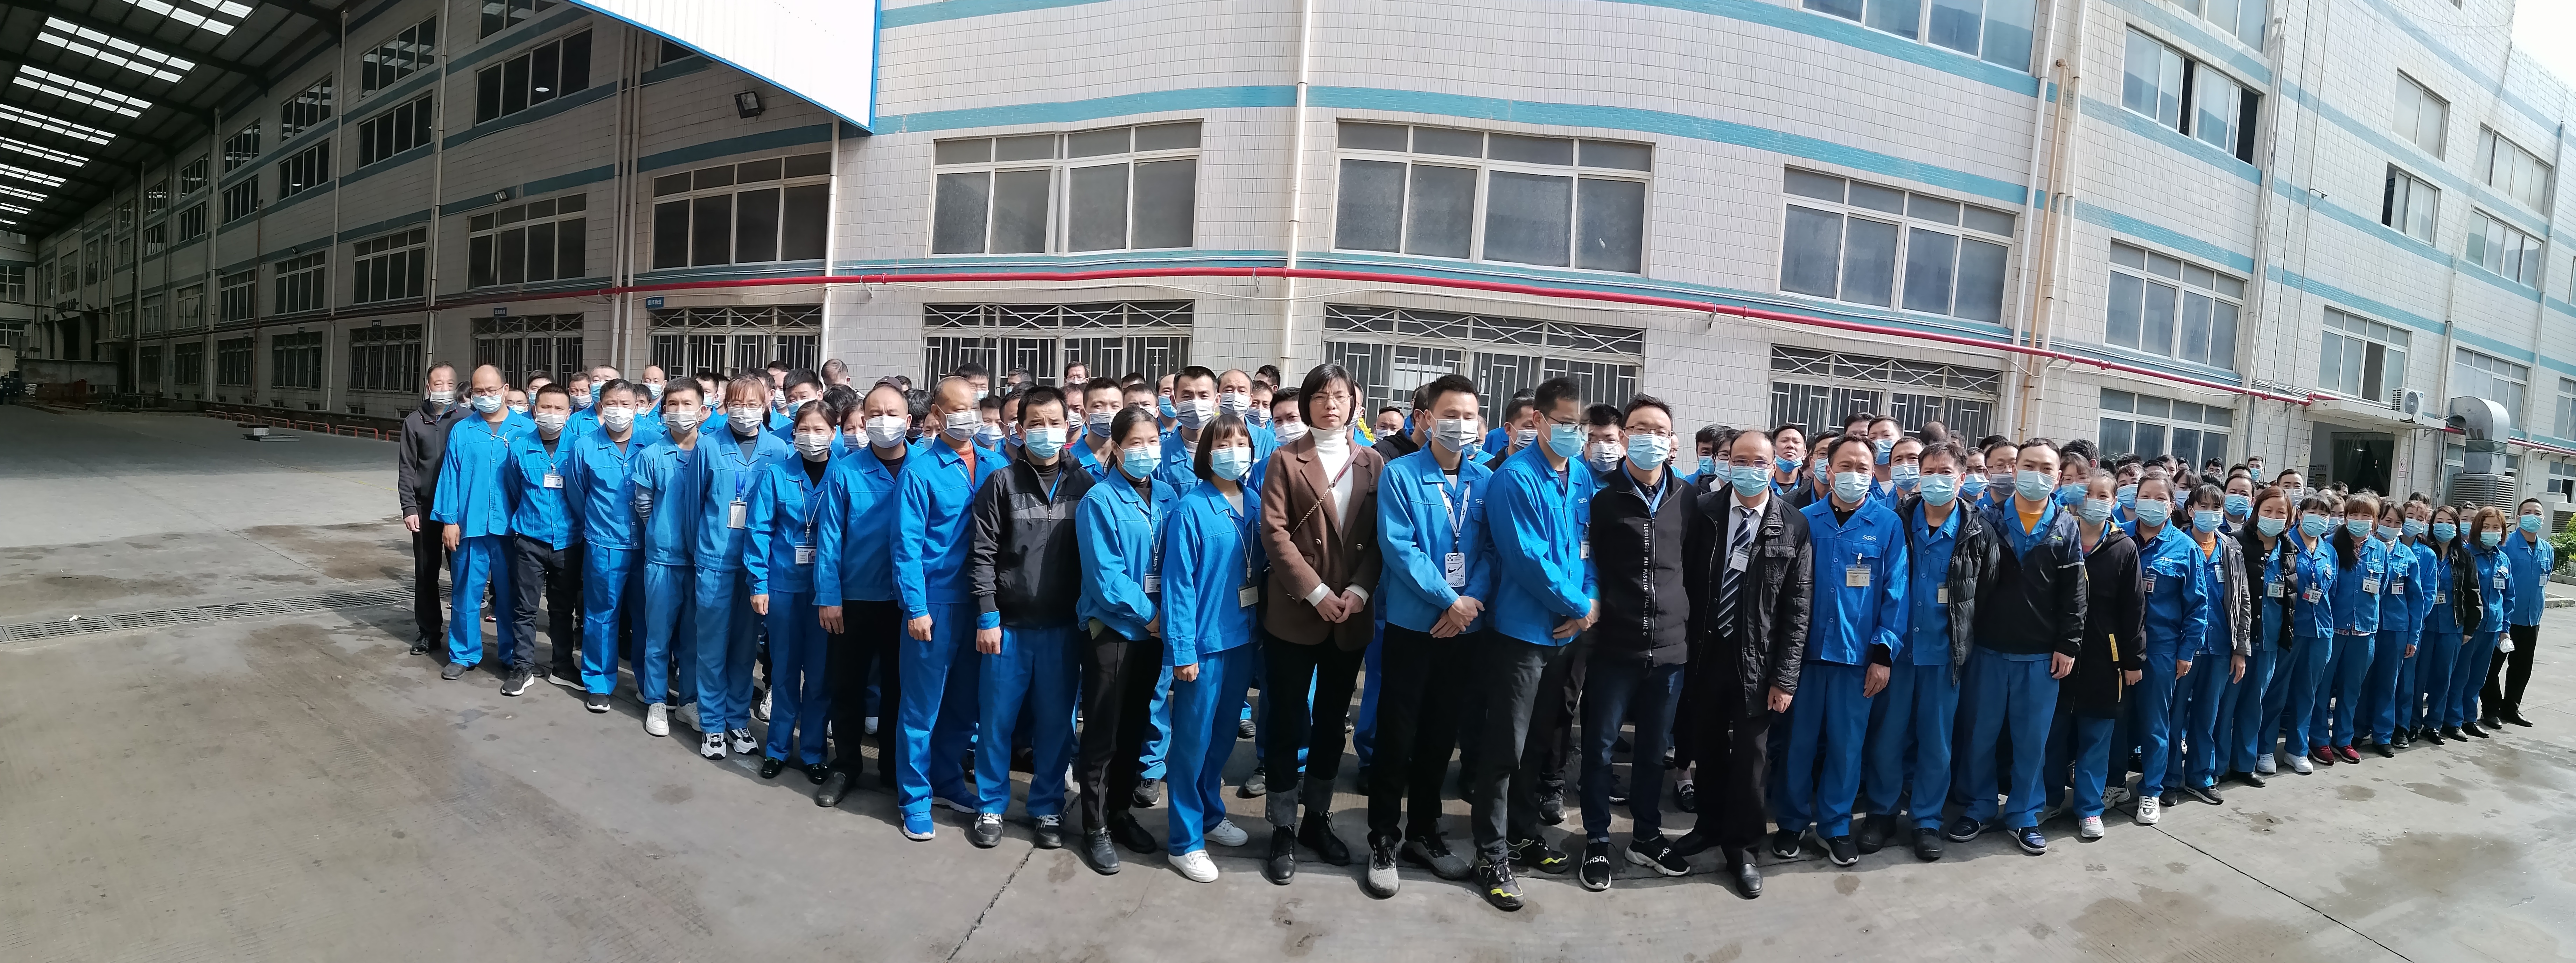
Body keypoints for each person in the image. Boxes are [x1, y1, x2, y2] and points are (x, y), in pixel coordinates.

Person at [1463, 376, 1597, 911]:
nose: (1574, 433)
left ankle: (1521, 834)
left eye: (1580, 425)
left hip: (1567, 633)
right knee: (1505, 749)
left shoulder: (1580, 475)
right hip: (1522, 635)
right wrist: (1579, 605)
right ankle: (1491, 853)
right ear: (1538, 421)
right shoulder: (1514, 479)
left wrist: (1589, 603)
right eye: (1565, 423)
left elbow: (1589, 550)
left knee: (1538, 743)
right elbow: (1527, 559)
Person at [1254, 363, 1382, 885]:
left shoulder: (1373, 462)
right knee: (1287, 720)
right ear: (1306, 404)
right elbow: (1274, 533)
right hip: (1295, 612)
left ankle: (1317, 819)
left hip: (1350, 614)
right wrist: (1317, 592)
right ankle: (1283, 825)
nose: (1332, 405)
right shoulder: (1285, 459)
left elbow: (1381, 538)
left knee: (1332, 722)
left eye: (1340, 396)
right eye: (1321, 396)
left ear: (1355, 403)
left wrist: (1358, 591)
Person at [1669, 428, 1809, 899]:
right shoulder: (1703, 510)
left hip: (1758, 663)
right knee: (1707, 748)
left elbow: (1798, 607)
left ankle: (1744, 847)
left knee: (1752, 761)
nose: (1749, 469)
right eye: (1740, 460)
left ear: (1774, 467)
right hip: (1706, 653)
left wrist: (1785, 677)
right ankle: (1708, 826)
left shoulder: (1793, 524)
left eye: (1759, 462)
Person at [1361, 374, 1485, 897]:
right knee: (1398, 734)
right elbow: (1400, 547)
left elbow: (1492, 551)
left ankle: (1424, 833)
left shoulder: (1484, 479)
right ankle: (1383, 837)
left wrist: (1469, 603)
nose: (1460, 424)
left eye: (1469, 416)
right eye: (1450, 414)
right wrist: (1448, 600)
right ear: (1427, 418)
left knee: (1440, 735)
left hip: (1463, 629)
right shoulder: (1401, 474)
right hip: (1414, 625)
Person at [1568, 395, 1696, 891]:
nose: (1650, 438)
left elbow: (1691, 568)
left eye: (1659, 430)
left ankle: (1646, 836)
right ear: (1624, 438)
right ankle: (1597, 840)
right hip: (1613, 648)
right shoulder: (1602, 499)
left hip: (1669, 650)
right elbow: (1588, 564)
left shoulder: (1687, 498)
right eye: (1640, 429)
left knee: (1652, 751)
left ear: (1672, 440)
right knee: (1599, 750)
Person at [964, 386, 1094, 850]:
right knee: (996, 722)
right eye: (1035, 423)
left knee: (1056, 725)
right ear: (1019, 430)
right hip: (1009, 628)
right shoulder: (1001, 483)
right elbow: (981, 553)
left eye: (1053, 422)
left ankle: (1047, 807)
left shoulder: (1085, 485)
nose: (1045, 431)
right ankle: (991, 805)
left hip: (1063, 629)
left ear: (1069, 426)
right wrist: (987, 615)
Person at [1769, 432, 1905, 867]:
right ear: (1827, 470)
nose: (1853, 474)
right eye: (1845, 466)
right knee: (1798, 745)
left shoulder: (1887, 525)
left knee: (1847, 748)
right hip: (1804, 657)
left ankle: (1834, 826)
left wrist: (1883, 654)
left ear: (1873, 474)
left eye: (1863, 468)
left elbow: (1895, 592)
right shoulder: (1802, 519)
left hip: (1856, 658)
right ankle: (1791, 823)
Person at [1860, 438, 1999, 858]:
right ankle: (1881, 813)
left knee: (1936, 743)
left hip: (1943, 656)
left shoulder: (1978, 531)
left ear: (1962, 478)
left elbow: (1986, 593)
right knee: (1887, 738)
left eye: (1946, 473)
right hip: (1896, 653)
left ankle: (1926, 819)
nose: (1937, 480)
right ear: (1919, 477)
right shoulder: (1895, 522)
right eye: (1929, 472)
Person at [890, 378, 1005, 840]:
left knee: (963, 705)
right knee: (921, 708)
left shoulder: (996, 465)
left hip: (981, 603)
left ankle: (946, 781)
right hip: (935, 602)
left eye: (972, 407)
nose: (967, 417)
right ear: (936, 414)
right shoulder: (920, 470)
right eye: (957, 409)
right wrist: (916, 607)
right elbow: (906, 546)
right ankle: (915, 798)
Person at [1071, 407, 1183, 872]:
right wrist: (1152, 616)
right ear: (1116, 448)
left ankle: (1119, 812)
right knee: (1104, 730)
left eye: (1153, 441)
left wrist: (1166, 619)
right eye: (1135, 443)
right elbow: (1106, 577)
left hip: (1154, 634)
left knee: (1136, 725)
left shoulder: (1169, 495)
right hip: (1114, 631)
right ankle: (1094, 825)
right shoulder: (1099, 500)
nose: (1145, 451)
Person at [1161, 413, 1266, 883]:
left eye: (1242, 443)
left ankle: (1209, 811)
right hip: (1203, 644)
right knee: (1192, 742)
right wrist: (1182, 650)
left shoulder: (1256, 503)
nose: (1234, 452)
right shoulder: (1191, 508)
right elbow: (1178, 585)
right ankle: (1184, 840)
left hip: (1243, 639)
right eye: (1223, 444)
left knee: (1223, 736)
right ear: (1207, 453)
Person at [814, 382, 920, 805]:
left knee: (900, 688)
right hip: (855, 597)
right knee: (848, 686)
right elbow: (829, 537)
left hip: (906, 601)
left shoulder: (925, 467)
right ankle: (846, 764)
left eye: (891, 413)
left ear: (908, 421)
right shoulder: (846, 470)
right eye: (873, 414)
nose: (882, 421)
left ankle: (894, 768)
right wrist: (829, 596)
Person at [688, 377, 795, 761]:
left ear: (766, 404)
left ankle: (737, 718)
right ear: (725, 404)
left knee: (745, 647)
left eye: (752, 404)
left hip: (757, 566)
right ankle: (712, 723)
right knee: (712, 646)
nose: (744, 411)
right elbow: (693, 505)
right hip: (715, 560)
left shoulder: (778, 449)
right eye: (736, 402)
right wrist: (701, 549)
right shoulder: (707, 445)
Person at [2042, 469, 2141, 841]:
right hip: (2057, 652)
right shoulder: (2058, 536)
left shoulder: (2123, 547)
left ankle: (2089, 808)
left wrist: (2132, 660)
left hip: (2105, 657)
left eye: (2104, 496)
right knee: (2052, 734)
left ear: (2115, 502)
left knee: (2096, 737)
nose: (2095, 501)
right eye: (2089, 494)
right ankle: (2049, 799)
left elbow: (2134, 609)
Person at [565, 381, 659, 712]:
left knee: (647, 617)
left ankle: (650, 686)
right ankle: (599, 682)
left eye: (625, 403)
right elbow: (577, 494)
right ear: (601, 406)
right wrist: (598, 524)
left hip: (648, 546)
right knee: (602, 615)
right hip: (605, 545)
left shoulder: (654, 441)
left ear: (637, 407)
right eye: (611, 403)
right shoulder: (585, 446)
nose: (618, 410)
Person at [432, 365, 526, 683]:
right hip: (469, 526)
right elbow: (450, 476)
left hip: (512, 528)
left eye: (491, 390)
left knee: (512, 595)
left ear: (505, 389)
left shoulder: (525, 430)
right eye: (479, 391)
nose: (486, 396)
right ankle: (463, 653)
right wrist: (449, 520)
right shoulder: (463, 430)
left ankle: (513, 655)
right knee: (466, 593)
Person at [2123, 470, 2205, 826]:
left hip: (2161, 650)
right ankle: (2113, 783)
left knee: (2155, 725)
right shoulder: (2118, 537)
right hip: (2116, 648)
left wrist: (2186, 652)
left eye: (2161, 499)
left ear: (2172, 506)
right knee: (2114, 721)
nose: (2152, 504)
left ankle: (2151, 790)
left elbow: (2198, 607)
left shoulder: (2184, 548)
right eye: (2146, 496)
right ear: (2135, 499)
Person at [632, 382, 708, 736]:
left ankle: (689, 701)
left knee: (695, 637)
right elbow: (644, 505)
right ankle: (657, 700)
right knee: (658, 635)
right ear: (663, 411)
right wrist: (663, 533)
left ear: (703, 411)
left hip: (703, 561)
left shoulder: (712, 452)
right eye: (673, 404)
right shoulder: (652, 454)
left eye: (687, 404)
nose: (680, 411)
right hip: (663, 559)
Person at [504, 384, 587, 696]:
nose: (551, 414)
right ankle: (523, 666)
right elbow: (514, 490)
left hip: (569, 541)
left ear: (569, 413)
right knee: (525, 608)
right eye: (546, 408)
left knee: (562, 609)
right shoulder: (519, 447)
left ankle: (563, 666)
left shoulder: (579, 447)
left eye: (558, 409)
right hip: (530, 540)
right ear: (534, 410)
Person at [2172, 483, 2248, 806]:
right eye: (2203, 507)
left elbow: (2243, 600)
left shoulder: (2231, 549)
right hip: (2183, 648)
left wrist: (2240, 649)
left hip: (2219, 647)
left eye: (2216, 508)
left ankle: (2200, 777)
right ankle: (2169, 778)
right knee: (2174, 716)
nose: (2211, 513)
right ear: (2190, 511)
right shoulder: (2176, 544)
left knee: (2208, 716)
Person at [2225, 485, 2294, 786]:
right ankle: (2217, 765)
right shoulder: (2236, 543)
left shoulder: (2289, 549)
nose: (2274, 517)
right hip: (2238, 639)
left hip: (2269, 640)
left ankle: (2244, 763)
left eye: (2281, 513)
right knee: (2226, 705)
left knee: (2255, 703)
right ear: (2256, 510)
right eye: (2268, 511)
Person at [2313, 493, 2386, 766]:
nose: (2359, 520)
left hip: (2364, 632)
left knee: (2351, 690)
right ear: (2345, 518)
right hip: (2333, 629)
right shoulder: (2331, 545)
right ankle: (2319, 738)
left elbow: (2382, 588)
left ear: (2375, 521)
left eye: (2366, 516)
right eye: (2353, 515)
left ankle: (2343, 738)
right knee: (2322, 688)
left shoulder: (2380, 550)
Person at [399, 365, 466, 658]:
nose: (444, 388)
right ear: (428, 387)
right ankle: (428, 631)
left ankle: (463, 635)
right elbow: (407, 467)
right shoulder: (414, 422)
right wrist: (409, 507)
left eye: (450, 383)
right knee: (426, 571)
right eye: (438, 384)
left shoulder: (467, 419)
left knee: (462, 572)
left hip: (458, 509)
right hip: (425, 507)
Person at [2270, 495, 2339, 774]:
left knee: (2308, 692)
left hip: (2321, 631)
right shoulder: (2285, 545)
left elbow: (2332, 592)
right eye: (2313, 512)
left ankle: (2297, 749)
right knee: (2277, 691)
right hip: (2290, 629)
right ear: (2300, 514)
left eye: (2324, 514)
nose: (2318, 518)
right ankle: (2265, 748)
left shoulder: (2329, 551)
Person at [2361, 499, 2426, 755]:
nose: (2392, 526)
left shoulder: (2407, 556)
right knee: (2362, 681)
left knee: (2389, 683)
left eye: (2398, 523)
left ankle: (2383, 734)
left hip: (2396, 629)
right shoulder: (2367, 549)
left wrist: (2413, 637)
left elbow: (2417, 600)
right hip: (2367, 625)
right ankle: (2358, 729)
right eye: (2388, 521)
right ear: (2378, 521)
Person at [2447, 507, 2513, 740]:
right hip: (2470, 628)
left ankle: (2469, 719)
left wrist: (2505, 628)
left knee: (2478, 678)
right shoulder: (2466, 555)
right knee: (2460, 676)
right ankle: (2453, 720)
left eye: (2496, 527)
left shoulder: (2503, 559)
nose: (2491, 531)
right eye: (2486, 527)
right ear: (2477, 529)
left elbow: (2509, 597)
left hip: (2493, 628)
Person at [2487, 498, 2552, 729]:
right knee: (2492, 667)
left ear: (2543, 519)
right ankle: (2491, 710)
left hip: (2532, 620)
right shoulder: (2505, 546)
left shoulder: (2547, 549)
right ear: (2518, 517)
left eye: (2538, 513)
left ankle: (2511, 708)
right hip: (2506, 619)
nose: (2533, 516)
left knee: (2522, 668)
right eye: (2528, 512)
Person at [2413, 505, 2464, 745]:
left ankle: (2434, 724)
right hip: (2425, 625)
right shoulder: (2424, 552)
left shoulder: (2463, 557)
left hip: (2452, 626)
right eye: (2439, 521)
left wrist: (2469, 628)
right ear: (2432, 525)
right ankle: (2413, 722)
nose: (2444, 526)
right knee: (2418, 678)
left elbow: (2472, 593)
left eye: (2450, 522)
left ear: (2457, 528)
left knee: (2444, 678)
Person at [1071, 377, 1125, 480]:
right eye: (1098, 406)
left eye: (1115, 406)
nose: (1108, 412)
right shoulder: (1071, 461)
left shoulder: (1129, 458)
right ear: (1084, 414)